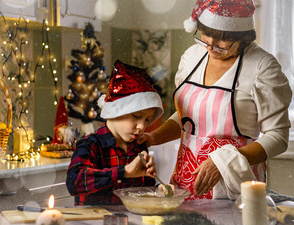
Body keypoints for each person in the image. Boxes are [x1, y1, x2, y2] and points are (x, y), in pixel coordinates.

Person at [138, 0, 292, 201]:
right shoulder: (192, 57)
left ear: (243, 37)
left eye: (222, 39)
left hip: (236, 187)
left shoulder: (262, 66)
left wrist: (224, 162)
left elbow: (278, 137)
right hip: (185, 182)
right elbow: (189, 118)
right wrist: (153, 138)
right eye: (205, 34)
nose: (210, 45)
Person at [66, 60, 164, 205]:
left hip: (132, 224)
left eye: (147, 120)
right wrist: (124, 172)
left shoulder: (138, 147)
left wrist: (158, 191)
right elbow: (74, 182)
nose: (142, 126)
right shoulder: (91, 145)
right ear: (115, 111)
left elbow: (143, 191)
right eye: (136, 116)